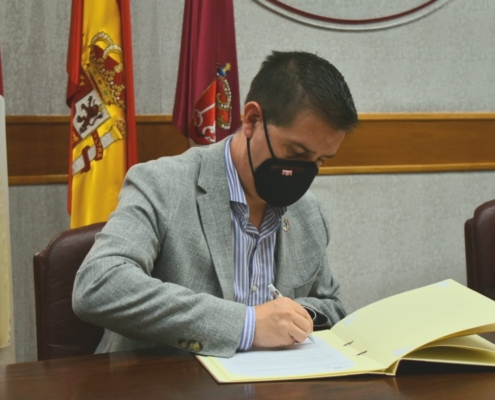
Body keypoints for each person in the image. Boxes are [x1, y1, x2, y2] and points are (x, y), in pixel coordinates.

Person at [73, 50, 358, 358]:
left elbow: (331, 305)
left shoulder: (308, 211)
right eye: (297, 152)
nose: (306, 172)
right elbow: (99, 285)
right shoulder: (162, 184)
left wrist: (296, 318)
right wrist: (246, 324)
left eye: (320, 161)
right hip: (165, 384)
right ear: (252, 120)